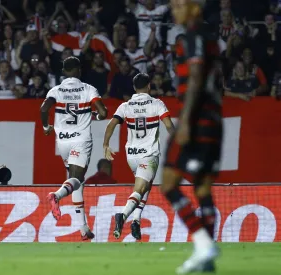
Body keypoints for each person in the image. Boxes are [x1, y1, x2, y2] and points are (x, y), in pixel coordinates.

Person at [163, 0, 223, 273]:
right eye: (172, 5)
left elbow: (196, 76)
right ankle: (207, 259)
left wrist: (185, 121)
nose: (174, 10)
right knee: (202, 190)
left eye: (179, 5)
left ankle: (202, 243)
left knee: (168, 183)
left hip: (197, 120)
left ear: (195, 8)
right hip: (213, 120)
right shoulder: (210, 39)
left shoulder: (192, 37)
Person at [40, 56, 108, 241]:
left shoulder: (56, 90)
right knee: (76, 179)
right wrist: (97, 116)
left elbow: (44, 109)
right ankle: (56, 195)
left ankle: (83, 228)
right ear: (79, 70)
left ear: (63, 72)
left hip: (62, 142)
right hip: (81, 140)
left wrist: (46, 127)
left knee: (75, 180)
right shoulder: (88, 89)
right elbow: (103, 112)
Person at [103, 73, 175, 241]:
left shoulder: (125, 106)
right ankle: (123, 214)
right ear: (149, 86)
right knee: (140, 189)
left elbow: (111, 124)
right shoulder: (157, 104)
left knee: (146, 185)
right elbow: (169, 125)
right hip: (148, 154)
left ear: (134, 88)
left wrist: (105, 144)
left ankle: (136, 220)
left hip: (132, 156)